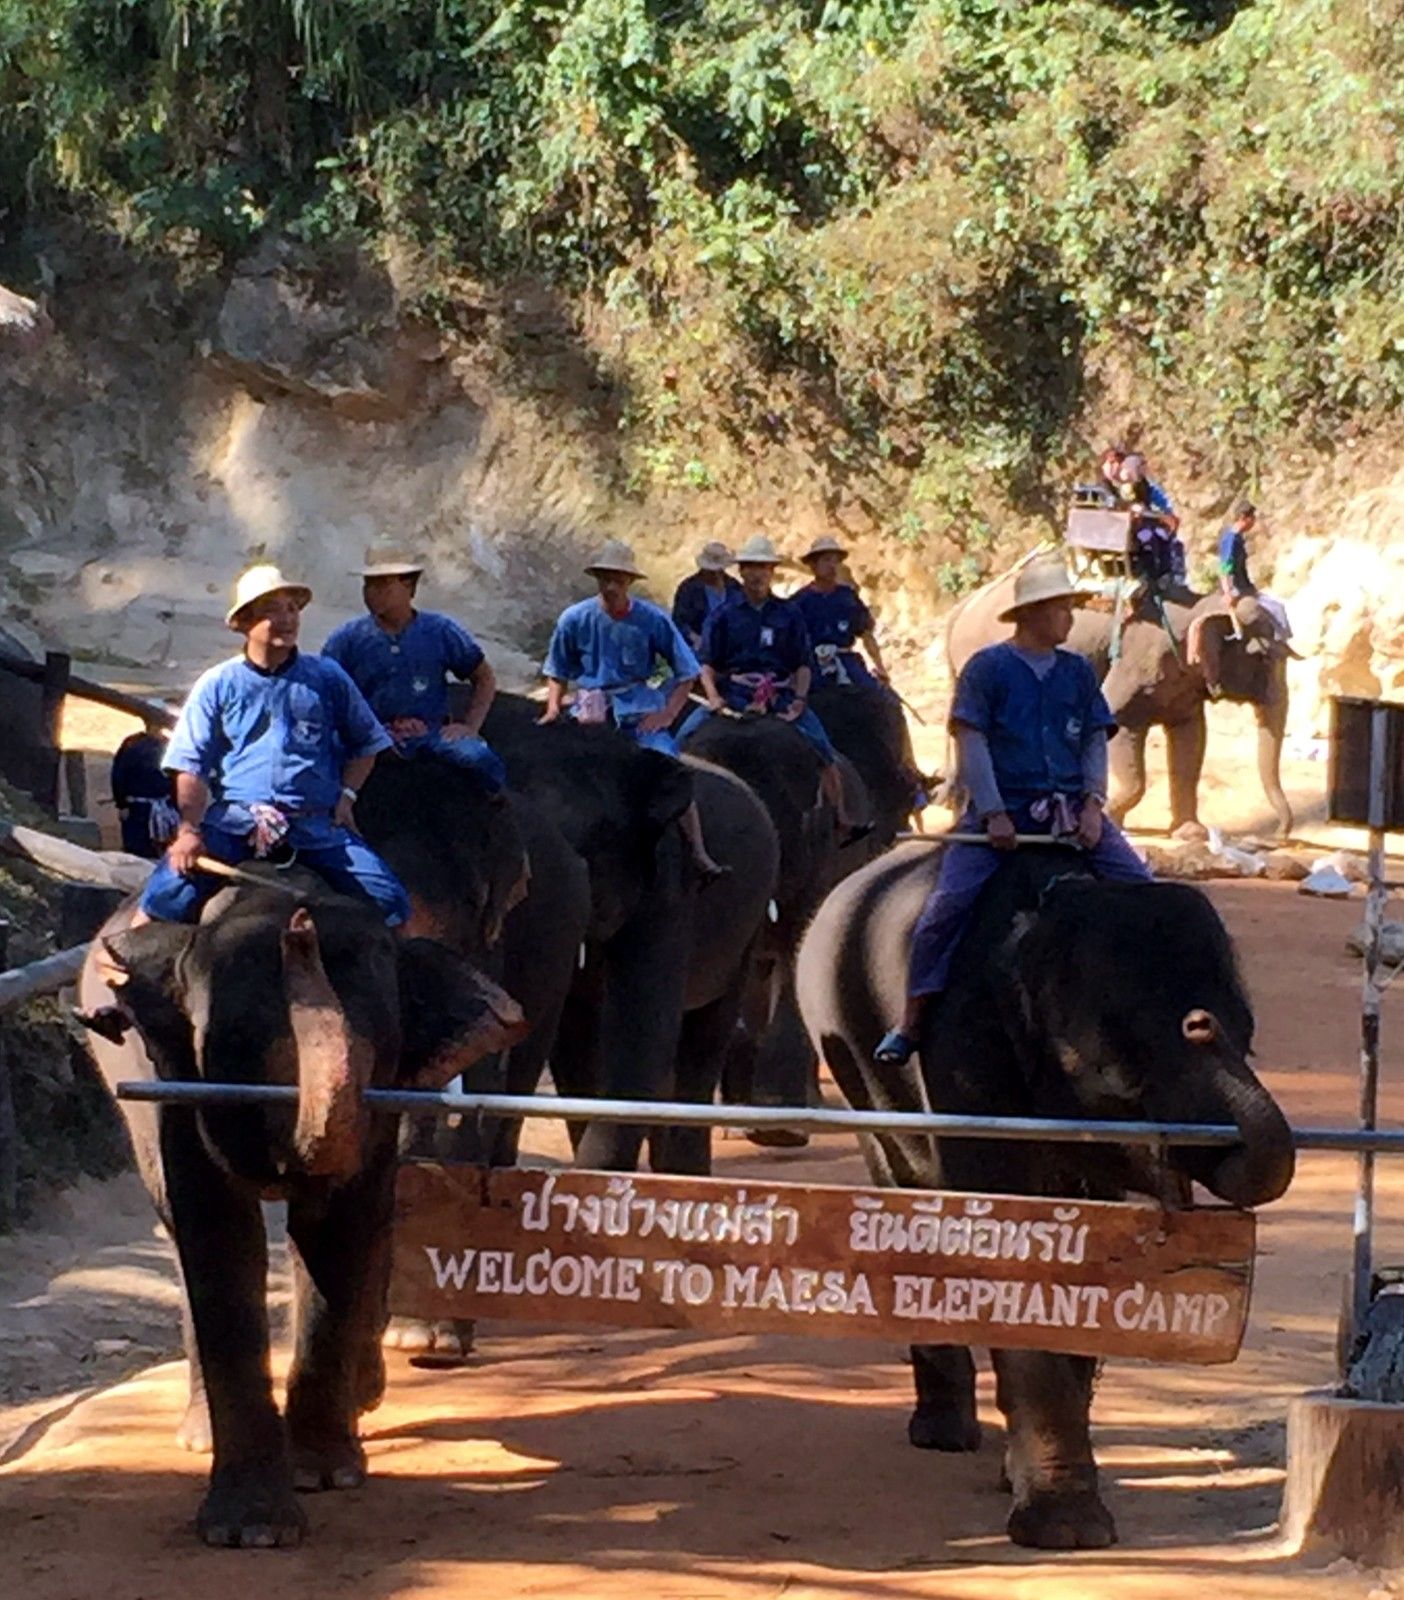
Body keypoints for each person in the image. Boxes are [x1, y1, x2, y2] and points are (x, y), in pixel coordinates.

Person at [874, 554, 1152, 1066]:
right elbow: (972, 743)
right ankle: (912, 1019)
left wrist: (1094, 805)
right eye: (1063, 609)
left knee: (1144, 891)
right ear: (1034, 613)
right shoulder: (988, 670)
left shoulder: (1076, 672)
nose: (1071, 619)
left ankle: (1159, 1005)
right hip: (1003, 813)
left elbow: (1094, 739)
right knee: (944, 911)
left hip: (1072, 811)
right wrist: (995, 811)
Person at [132, 565, 410, 928]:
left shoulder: (327, 677)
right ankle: (119, 960)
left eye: (292, 609)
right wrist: (188, 832)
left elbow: (368, 742)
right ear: (245, 622)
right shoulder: (218, 684)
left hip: (314, 826)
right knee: (165, 895)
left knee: (392, 903)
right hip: (237, 823)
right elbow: (191, 764)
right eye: (271, 610)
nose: (286, 619)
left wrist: (346, 798)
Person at [541, 539, 727, 880]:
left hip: (639, 707)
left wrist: (668, 714)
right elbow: (557, 670)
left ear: (629, 582)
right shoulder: (575, 618)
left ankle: (698, 850)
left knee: (669, 768)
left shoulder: (652, 619)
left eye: (618, 579)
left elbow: (687, 671)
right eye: (605, 578)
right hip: (590, 706)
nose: (611, 586)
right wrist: (554, 708)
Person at [678, 534, 868, 842]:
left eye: (763, 567)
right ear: (741, 571)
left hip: (780, 694)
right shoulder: (723, 615)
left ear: (772, 571)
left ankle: (841, 818)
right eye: (751, 567)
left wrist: (800, 699)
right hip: (734, 695)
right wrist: (713, 697)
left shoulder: (789, 614)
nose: (757, 574)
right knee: (681, 741)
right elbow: (707, 663)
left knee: (822, 748)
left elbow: (802, 663)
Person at [322, 542, 505, 792]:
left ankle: (498, 812)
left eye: (383, 584)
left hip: (430, 733)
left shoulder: (440, 630)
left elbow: (483, 677)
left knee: (480, 760)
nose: (372, 592)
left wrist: (470, 726)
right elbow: (325, 692)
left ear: (409, 586)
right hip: (371, 737)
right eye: (368, 584)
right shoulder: (347, 638)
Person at [791, 535, 892, 692]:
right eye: (826, 560)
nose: (832, 565)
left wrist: (880, 667)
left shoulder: (848, 597)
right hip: (813, 666)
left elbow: (865, 634)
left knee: (883, 700)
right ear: (813, 565)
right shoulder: (799, 602)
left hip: (847, 661)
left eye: (836, 561)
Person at [1116, 452, 1185, 589]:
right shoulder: (1126, 487)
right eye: (1141, 466)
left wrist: (1168, 514)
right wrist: (1159, 517)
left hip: (1147, 522)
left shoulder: (1145, 485)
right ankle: (1152, 576)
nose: (1144, 469)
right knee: (1149, 539)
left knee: (1164, 537)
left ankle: (1166, 574)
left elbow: (1159, 501)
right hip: (1134, 528)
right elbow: (1134, 508)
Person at [110, 726, 178, 860]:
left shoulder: (132, 743)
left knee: (146, 852)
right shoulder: (133, 744)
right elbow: (119, 774)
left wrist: (121, 803)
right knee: (142, 852)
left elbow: (118, 774)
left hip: (152, 809)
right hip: (141, 809)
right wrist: (122, 803)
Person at [672, 542, 742, 650]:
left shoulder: (734, 587)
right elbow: (678, 621)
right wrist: (694, 638)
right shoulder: (688, 589)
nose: (715, 575)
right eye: (711, 571)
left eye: (718, 571)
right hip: (698, 648)